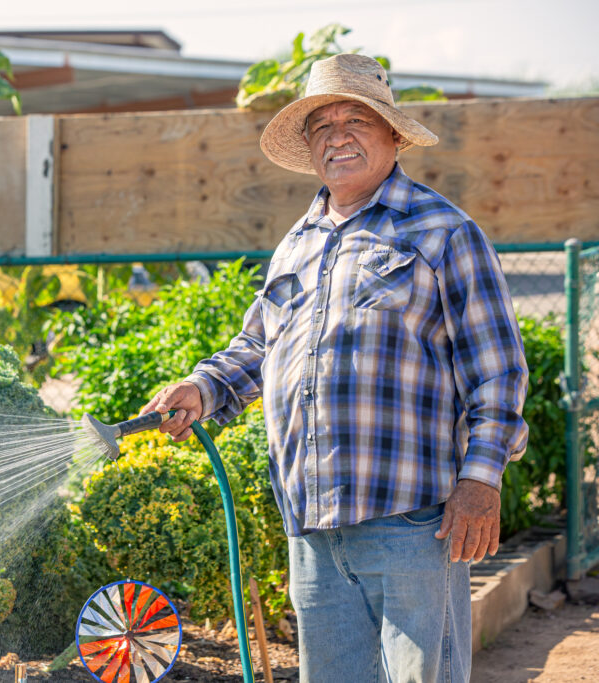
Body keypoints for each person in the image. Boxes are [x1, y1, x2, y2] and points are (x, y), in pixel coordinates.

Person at [142, 53, 528, 683]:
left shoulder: (442, 231)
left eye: (357, 119)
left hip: (412, 524)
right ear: (309, 145)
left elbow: (498, 372)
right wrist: (203, 387)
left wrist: (481, 481)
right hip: (313, 529)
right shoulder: (298, 242)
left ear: (394, 134)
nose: (338, 136)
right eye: (322, 125)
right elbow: (259, 348)